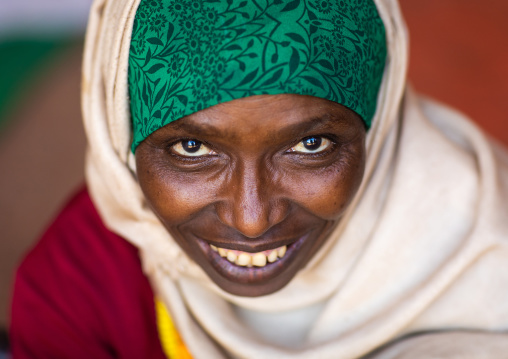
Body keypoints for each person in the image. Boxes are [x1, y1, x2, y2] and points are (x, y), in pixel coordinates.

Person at [10, 0, 508, 358]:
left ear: (377, 128)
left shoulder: (492, 254)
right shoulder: (79, 286)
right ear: (121, 136)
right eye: (192, 148)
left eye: (310, 146)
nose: (251, 220)